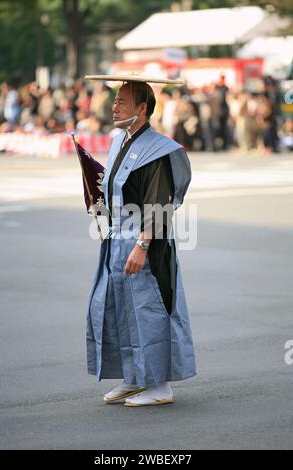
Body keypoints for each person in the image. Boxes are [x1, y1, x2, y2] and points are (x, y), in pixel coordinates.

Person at [85, 74, 196, 407]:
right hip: (117, 238)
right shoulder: (120, 140)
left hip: (146, 239)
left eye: (122, 101)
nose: (114, 106)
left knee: (148, 308)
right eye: (115, 100)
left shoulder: (158, 150)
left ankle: (159, 383)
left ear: (142, 108)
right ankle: (134, 377)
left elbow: (159, 203)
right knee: (119, 308)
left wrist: (142, 245)